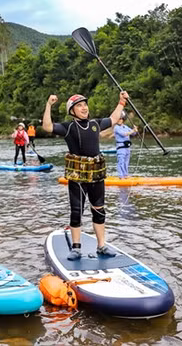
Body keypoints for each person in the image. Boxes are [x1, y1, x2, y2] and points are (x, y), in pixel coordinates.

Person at [43, 92, 128, 260]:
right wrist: (48, 105)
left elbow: (112, 118)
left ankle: (102, 246)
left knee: (99, 210)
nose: (84, 108)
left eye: (85, 104)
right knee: (76, 212)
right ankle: (76, 248)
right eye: (79, 106)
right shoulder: (68, 128)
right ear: (72, 111)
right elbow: (47, 126)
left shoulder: (95, 124)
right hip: (77, 176)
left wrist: (122, 102)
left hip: (96, 176)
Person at [112, 112, 139, 179]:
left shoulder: (125, 126)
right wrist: (132, 131)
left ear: (122, 119)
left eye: (121, 119)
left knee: (126, 162)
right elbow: (124, 134)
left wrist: (135, 130)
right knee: (121, 161)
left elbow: (133, 134)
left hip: (127, 147)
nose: (120, 120)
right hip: (121, 147)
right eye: (119, 119)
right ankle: (121, 176)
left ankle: (126, 175)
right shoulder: (116, 128)